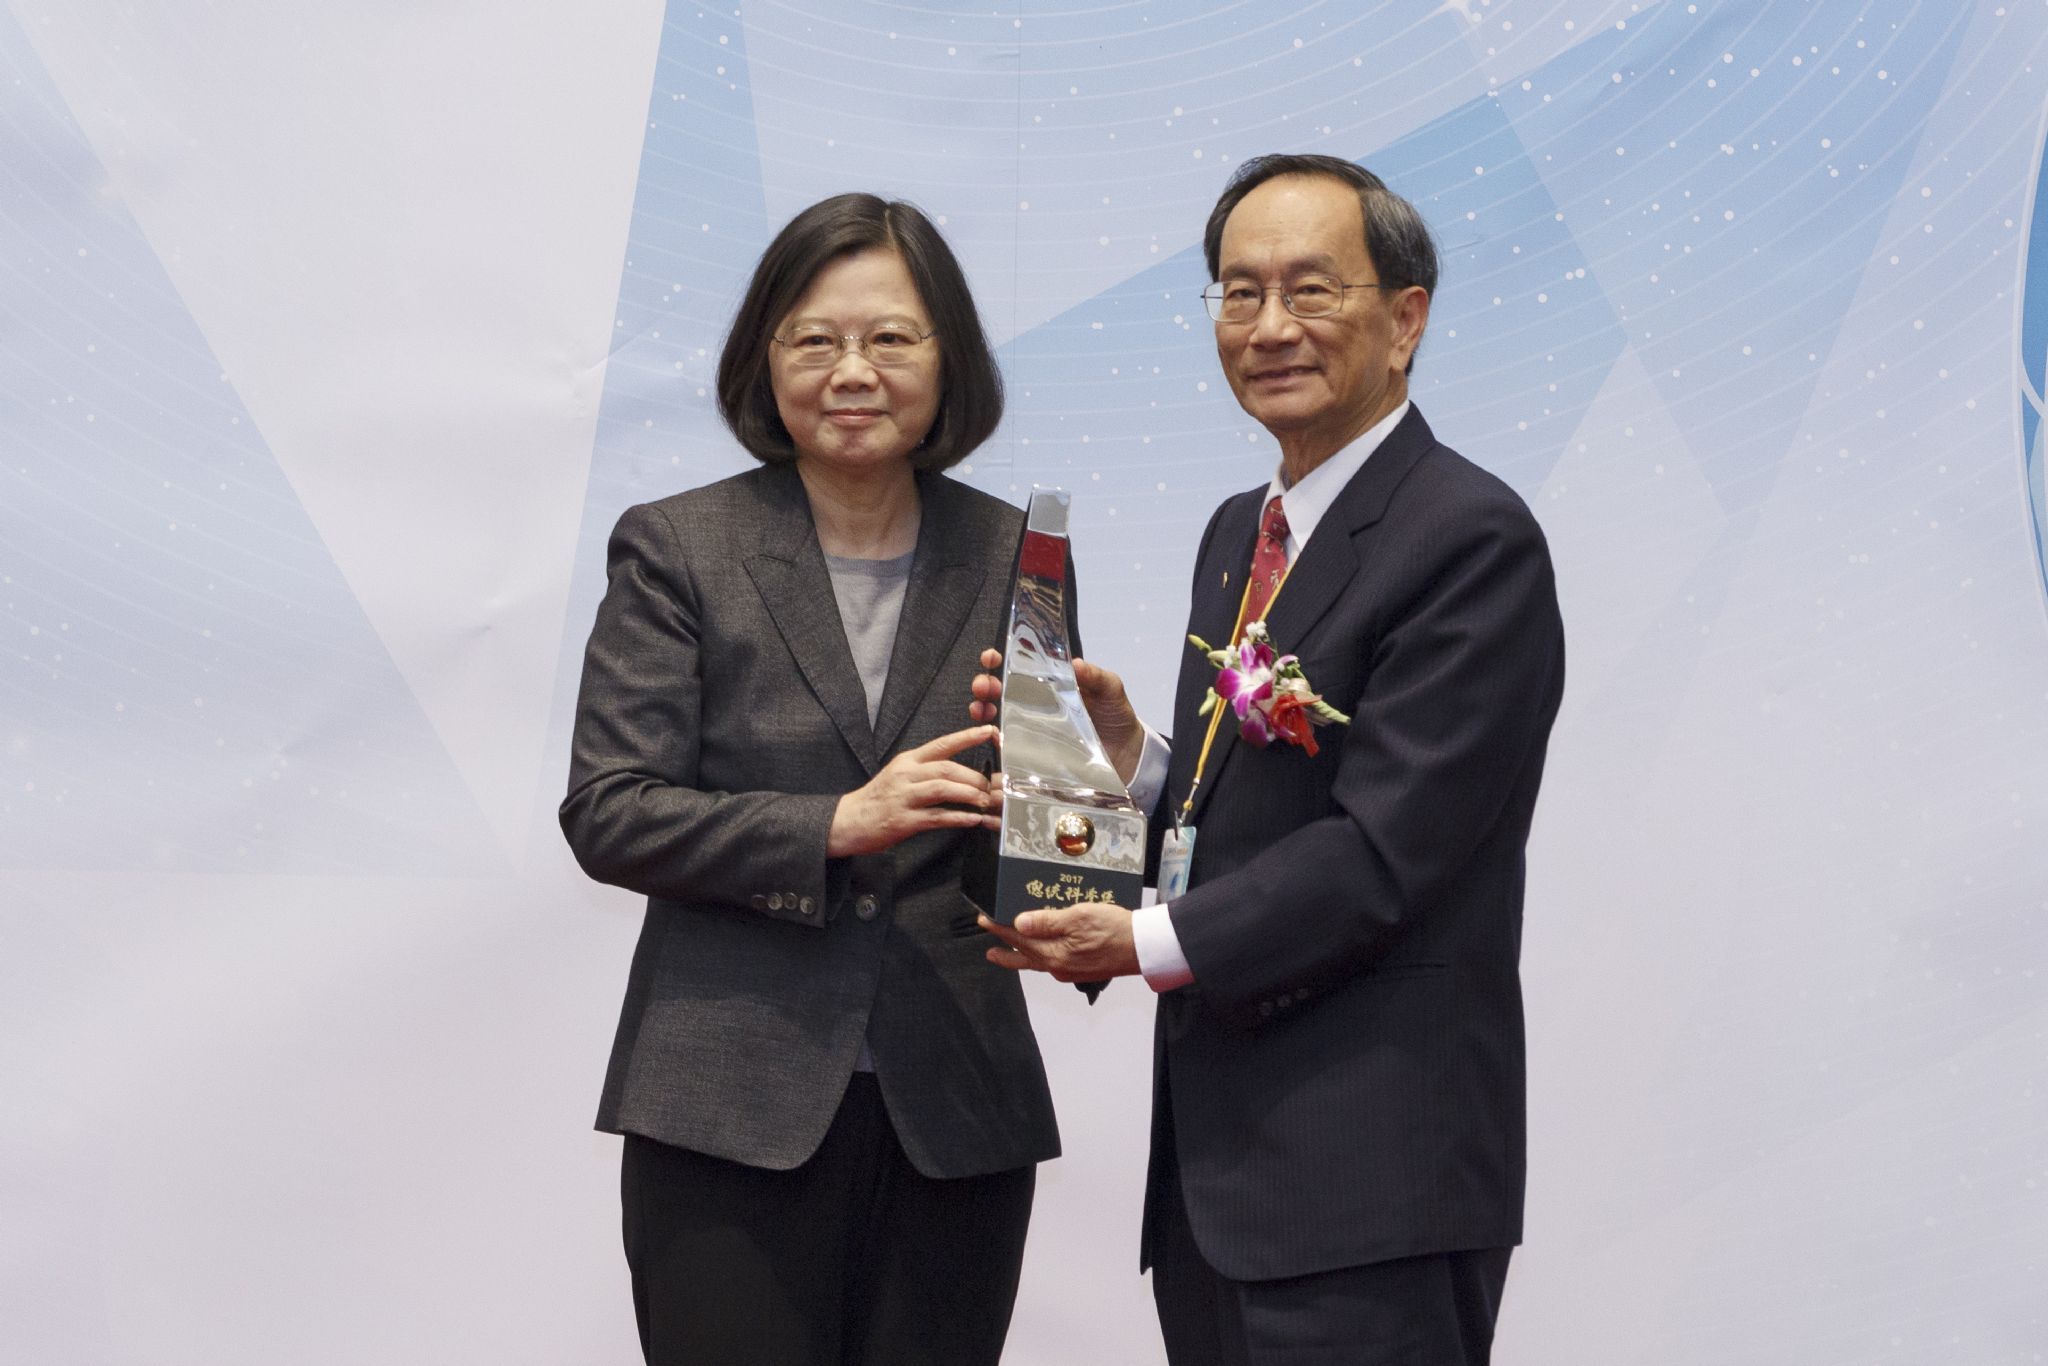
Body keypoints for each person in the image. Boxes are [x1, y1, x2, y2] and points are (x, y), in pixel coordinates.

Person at [977, 154, 1566, 1364]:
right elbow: (1243, 818)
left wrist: (1139, 942)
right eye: (1237, 292)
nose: (1269, 325)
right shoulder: (1238, 534)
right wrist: (1133, 763)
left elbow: (1383, 855)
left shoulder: (1466, 536)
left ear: (1404, 319)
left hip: (1371, 1186)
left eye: (1310, 288)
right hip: (1218, 1182)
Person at [561, 193, 1066, 1366]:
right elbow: (610, 809)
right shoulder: (678, 547)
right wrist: (835, 822)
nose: (852, 371)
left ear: (947, 360)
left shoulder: (1015, 551)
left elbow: (1040, 823)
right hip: (726, 1105)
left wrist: (1083, 833)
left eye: (890, 337)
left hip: (957, 1107)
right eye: (814, 339)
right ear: (764, 357)